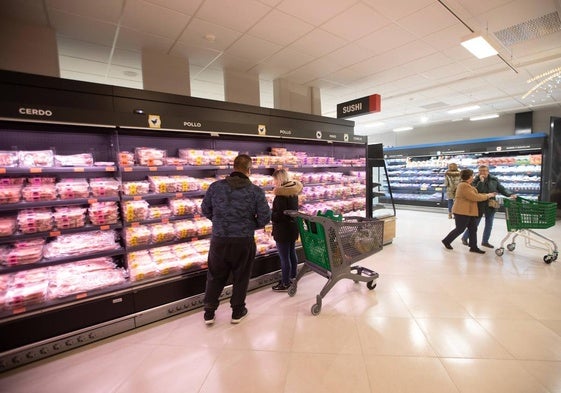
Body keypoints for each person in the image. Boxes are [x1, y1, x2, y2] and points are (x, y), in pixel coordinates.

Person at [200, 154, 271, 325]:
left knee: (215, 275)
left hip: (219, 239)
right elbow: (264, 218)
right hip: (243, 240)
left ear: (233, 167)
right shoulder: (255, 191)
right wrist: (247, 224)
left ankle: (209, 312)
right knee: (241, 276)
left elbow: (205, 209)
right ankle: (237, 311)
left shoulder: (215, 187)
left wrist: (219, 222)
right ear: (249, 169)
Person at [442, 168, 496, 254]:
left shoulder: (467, 185)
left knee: (473, 229)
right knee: (460, 229)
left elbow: (476, 194)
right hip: (461, 211)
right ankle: (446, 240)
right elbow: (474, 197)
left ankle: (473, 247)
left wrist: (486, 192)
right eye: (472, 175)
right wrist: (488, 196)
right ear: (469, 176)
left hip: (469, 211)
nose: (473, 177)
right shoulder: (463, 186)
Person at [460, 165, 515, 248]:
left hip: (491, 204)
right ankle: (465, 237)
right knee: (474, 224)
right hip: (479, 204)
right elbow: (476, 191)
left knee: (489, 224)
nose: (483, 172)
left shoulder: (494, 179)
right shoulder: (474, 181)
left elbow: (501, 189)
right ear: (478, 172)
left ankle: (485, 241)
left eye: (485, 170)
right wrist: (481, 181)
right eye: (481, 171)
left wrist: (510, 194)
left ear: (488, 171)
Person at [270, 169, 303, 292]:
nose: (274, 182)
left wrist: (270, 214)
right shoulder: (293, 193)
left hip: (282, 230)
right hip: (292, 228)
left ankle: (285, 283)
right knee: (291, 253)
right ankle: (292, 277)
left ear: (279, 179)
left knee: (284, 257)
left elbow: (279, 216)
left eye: (275, 180)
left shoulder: (280, 196)